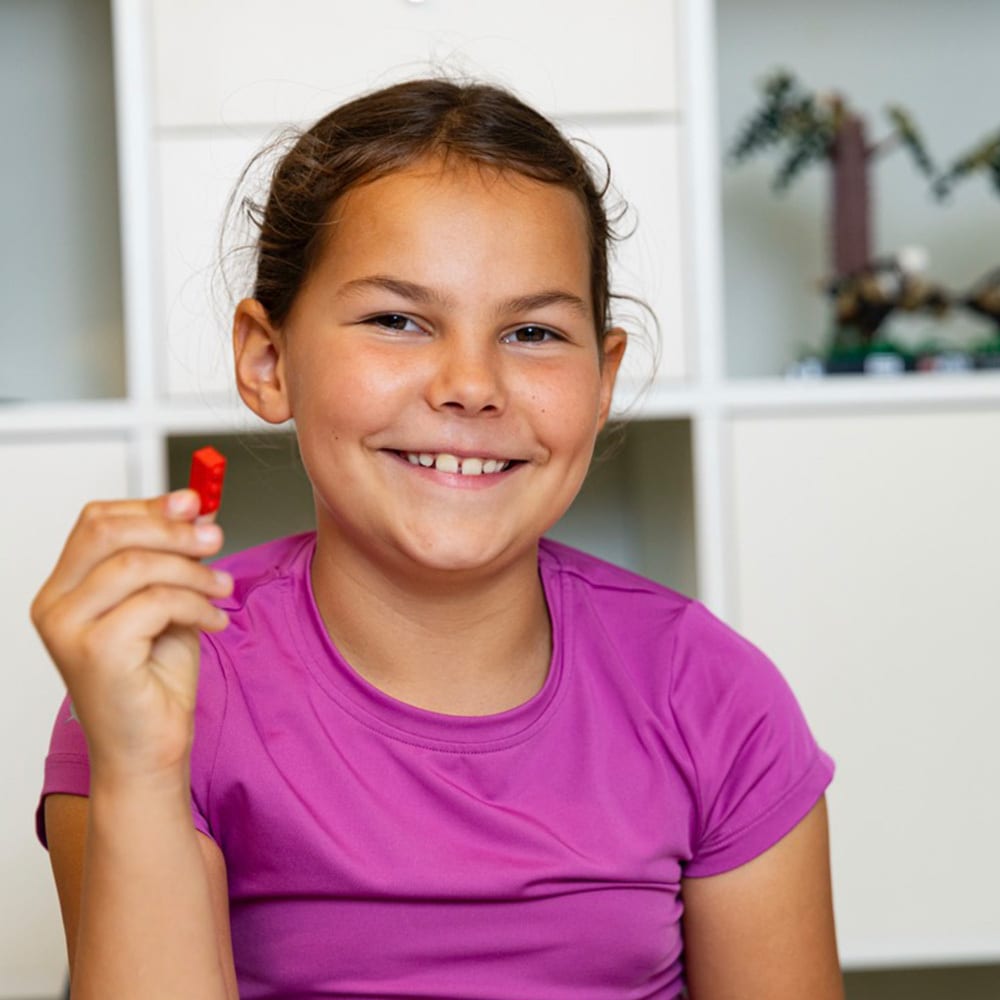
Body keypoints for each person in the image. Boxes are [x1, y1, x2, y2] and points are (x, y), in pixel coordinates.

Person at [32, 79, 843, 999]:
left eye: (533, 332)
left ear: (603, 378)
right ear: (267, 360)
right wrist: (139, 768)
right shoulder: (162, 694)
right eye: (398, 321)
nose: (470, 383)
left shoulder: (716, 697)